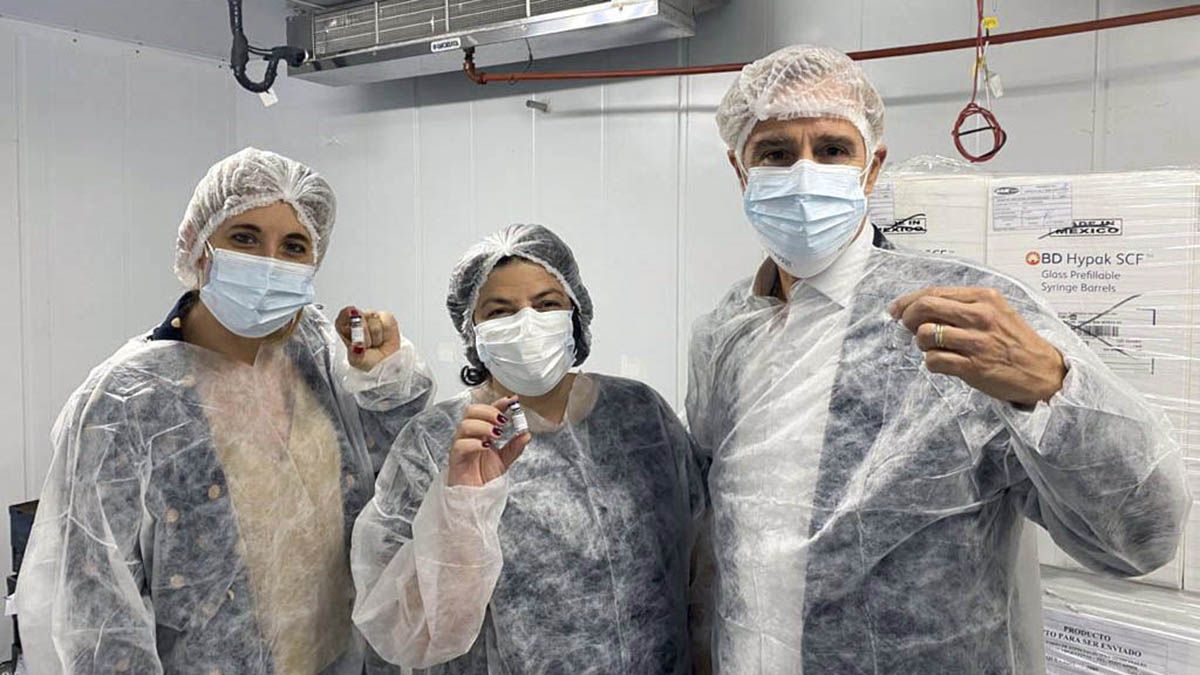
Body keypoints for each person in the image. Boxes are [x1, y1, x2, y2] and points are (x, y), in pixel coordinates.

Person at [686, 45, 1189, 673]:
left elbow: (1142, 537)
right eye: (777, 153)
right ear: (742, 170)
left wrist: (1052, 389)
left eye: (833, 149)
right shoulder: (726, 334)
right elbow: (720, 529)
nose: (805, 173)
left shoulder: (967, 314)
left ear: (871, 169)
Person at [15, 148, 435, 674]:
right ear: (197, 248)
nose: (269, 263)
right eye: (244, 238)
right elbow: (95, 612)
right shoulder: (125, 401)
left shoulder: (316, 355)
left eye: (293, 246)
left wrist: (386, 383)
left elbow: (395, 496)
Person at [352, 224, 705, 674]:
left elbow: (702, 564)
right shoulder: (434, 443)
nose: (526, 323)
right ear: (472, 332)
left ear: (575, 315)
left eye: (546, 304)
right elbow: (399, 629)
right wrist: (461, 505)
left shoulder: (640, 415)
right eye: (500, 312)